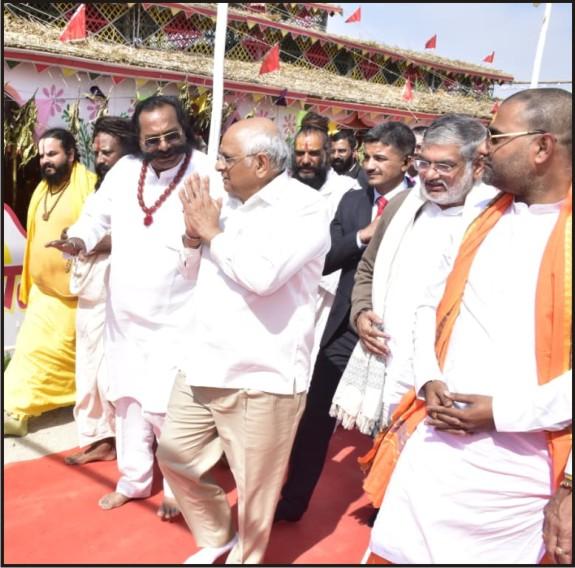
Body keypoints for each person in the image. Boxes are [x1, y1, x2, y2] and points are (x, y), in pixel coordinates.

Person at [365, 88, 572, 564]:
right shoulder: (480, 215)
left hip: (519, 467)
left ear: (542, 147)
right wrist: (428, 377)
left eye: (496, 137)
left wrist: (503, 413)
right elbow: (428, 306)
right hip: (437, 438)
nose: (483, 148)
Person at [156, 117, 331, 564]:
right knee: (175, 456)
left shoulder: (305, 208)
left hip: (263, 374)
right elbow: (188, 274)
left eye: (227, 158)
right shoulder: (225, 203)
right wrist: (192, 237)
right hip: (203, 361)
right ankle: (217, 536)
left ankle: (245, 559)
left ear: (261, 163)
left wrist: (212, 232)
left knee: (255, 492)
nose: (217, 167)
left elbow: (262, 277)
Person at [47, 96, 210, 520]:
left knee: (170, 409)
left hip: (181, 314)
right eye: (152, 140)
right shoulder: (124, 171)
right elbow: (95, 216)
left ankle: (178, 488)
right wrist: (78, 240)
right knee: (128, 403)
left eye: (171, 135)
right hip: (125, 313)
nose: (163, 146)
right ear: (138, 140)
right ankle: (133, 481)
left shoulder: (206, 171)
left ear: (185, 129)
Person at [275, 121, 416, 523]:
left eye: (380, 158)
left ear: (406, 162)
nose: (370, 166)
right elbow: (325, 258)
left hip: (394, 333)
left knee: (388, 423)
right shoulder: (353, 202)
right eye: (367, 157)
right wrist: (362, 236)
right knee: (315, 418)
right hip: (345, 327)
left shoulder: (423, 206)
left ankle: (384, 506)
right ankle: (292, 501)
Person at [3, 128, 96, 437]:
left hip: (71, 297)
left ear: (71, 154)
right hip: (43, 293)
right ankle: (17, 406)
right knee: (30, 354)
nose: (46, 161)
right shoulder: (43, 189)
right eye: (42, 155)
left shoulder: (90, 186)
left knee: (49, 357)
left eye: (53, 154)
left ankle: (19, 409)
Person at [64, 116, 138, 466]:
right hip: (91, 289)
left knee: (112, 372)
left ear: (129, 151)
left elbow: (139, 235)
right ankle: (99, 438)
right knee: (89, 367)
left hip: (119, 289)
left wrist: (93, 242)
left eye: (107, 152)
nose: (101, 159)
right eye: (96, 152)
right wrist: (76, 238)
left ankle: (126, 441)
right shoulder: (101, 187)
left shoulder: (142, 186)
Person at [291, 118, 358, 363]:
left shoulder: (347, 190)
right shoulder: (284, 186)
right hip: (284, 285)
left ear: (327, 154)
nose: (306, 160)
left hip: (324, 290)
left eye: (313, 154)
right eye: (300, 153)